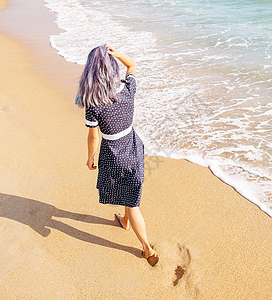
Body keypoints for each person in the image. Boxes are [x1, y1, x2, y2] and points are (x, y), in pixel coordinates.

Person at [76, 44, 159, 267]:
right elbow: (132, 64)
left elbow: (93, 137)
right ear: (113, 69)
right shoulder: (127, 89)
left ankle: (147, 247)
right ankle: (124, 221)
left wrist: (90, 157)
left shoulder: (93, 104)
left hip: (113, 154)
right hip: (133, 147)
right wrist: (116, 55)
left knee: (132, 203)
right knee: (130, 188)